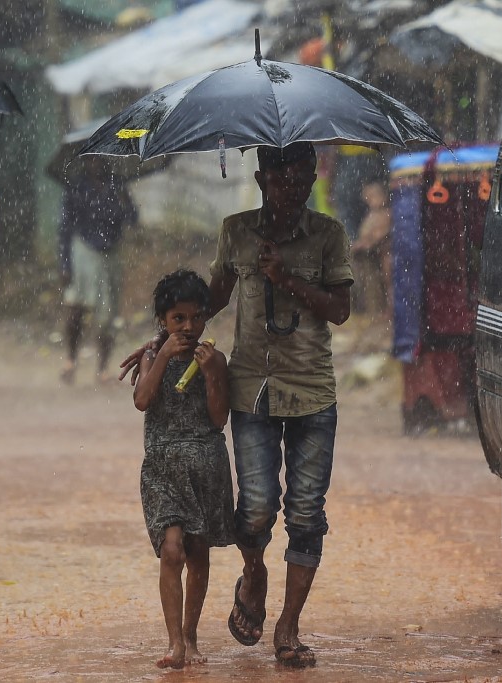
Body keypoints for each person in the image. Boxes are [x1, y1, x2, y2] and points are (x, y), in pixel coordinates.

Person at [120, 142, 352, 668]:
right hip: (252, 390)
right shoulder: (236, 232)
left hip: (312, 391)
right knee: (255, 507)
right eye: (281, 175)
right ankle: (253, 570)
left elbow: (340, 309)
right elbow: (209, 303)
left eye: (301, 175)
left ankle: (288, 628)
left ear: (313, 176)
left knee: (307, 513)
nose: (292, 185)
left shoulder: (328, 236)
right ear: (262, 176)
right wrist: (158, 343)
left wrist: (287, 280)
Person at [132, 269, 234, 669]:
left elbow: (218, 417)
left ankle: (191, 637)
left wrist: (211, 375)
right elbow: (142, 400)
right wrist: (160, 360)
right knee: (171, 551)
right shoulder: (151, 356)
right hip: (161, 468)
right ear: (162, 320)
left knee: (197, 552)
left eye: (195, 318)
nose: (188, 327)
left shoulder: (214, 359)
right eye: (178, 319)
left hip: (205, 467)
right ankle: (175, 643)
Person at [58, 157, 137, 384]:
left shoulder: (117, 186)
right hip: (82, 250)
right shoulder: (76, 187)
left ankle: (102, 368)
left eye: (102, 159)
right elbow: (64, 228)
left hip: (110, 255)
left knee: (107, 314)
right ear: (86, 161)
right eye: (93, 159)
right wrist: (64, 264)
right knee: (76, 308)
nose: (97, 163)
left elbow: (133, 218)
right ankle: (70, 360)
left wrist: (124, 200)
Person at [350, 178, 392, 321]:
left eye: (372, 196)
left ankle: (389, 310)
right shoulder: (372, 214)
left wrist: (367, 243)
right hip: (371, 257)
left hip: (385, 254)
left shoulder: (386, 213)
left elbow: (381, 235)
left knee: (388, 281)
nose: (369, 200)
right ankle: (370, 308)